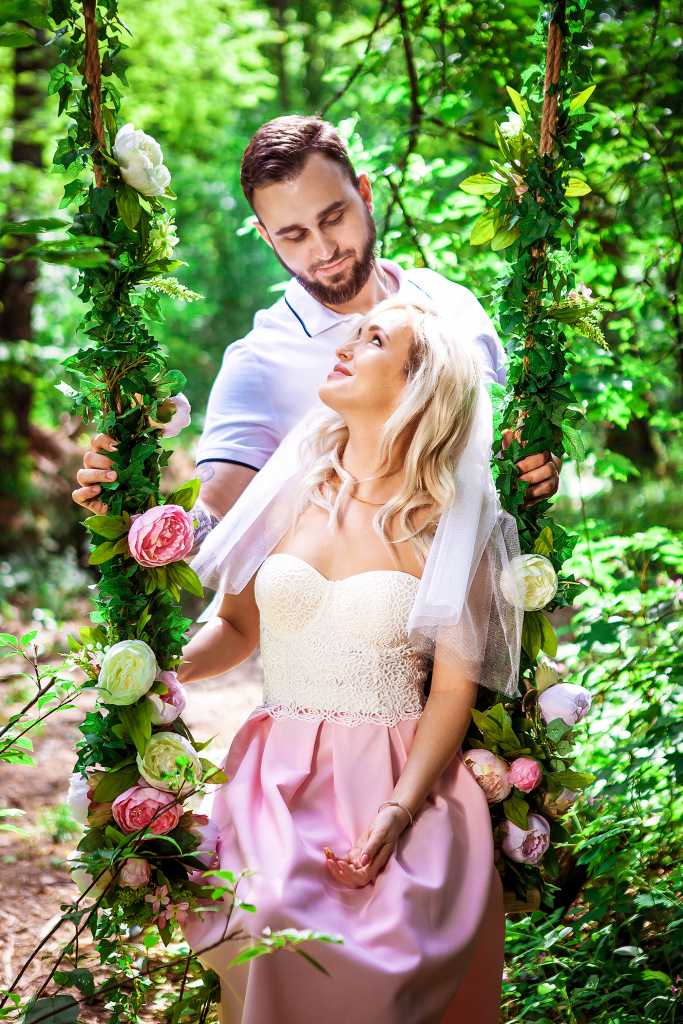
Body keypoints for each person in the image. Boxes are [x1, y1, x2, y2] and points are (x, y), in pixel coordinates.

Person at [177, 293, 523, 1023]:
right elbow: (234, 629)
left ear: (416, 385)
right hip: (275, 775)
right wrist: (159, 670)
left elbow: (451, 691)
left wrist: (398, 811)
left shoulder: (452, 521)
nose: (344, 346)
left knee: (369, 968)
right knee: (266, 919)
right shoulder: (291, 487)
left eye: (372, 341)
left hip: (397, 776)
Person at [71, 115, 560, 534]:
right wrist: (139, 517)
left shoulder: (453, 304)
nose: (323, 250)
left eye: (333, 218)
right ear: (266, 238)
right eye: (294, 235)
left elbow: (506, 448)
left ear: (364, 193)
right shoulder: (258, 362)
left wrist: (536, 468)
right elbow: (216, 516)